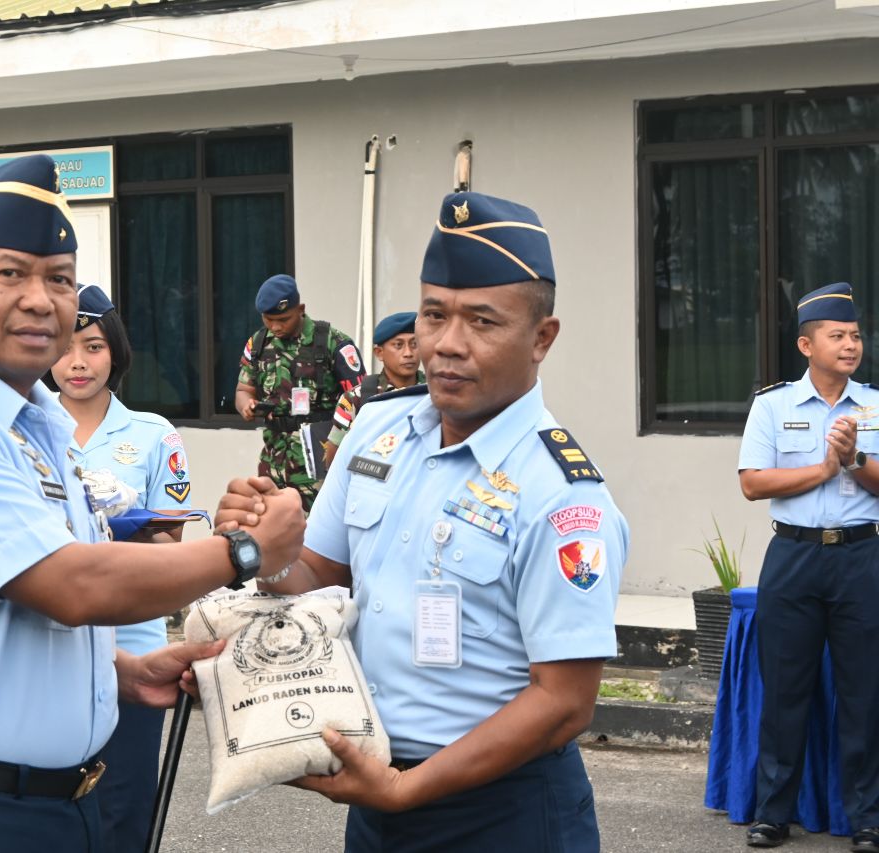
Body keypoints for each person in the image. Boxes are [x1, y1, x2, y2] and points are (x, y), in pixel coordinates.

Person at [0, 153, 304, 852]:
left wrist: (121, 671)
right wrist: (244, 552)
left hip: (58, 805)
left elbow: (10, 614)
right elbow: (72, 583)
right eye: (10, 274)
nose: (39, 298)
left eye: (57, 278)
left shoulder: (39, 423)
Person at [215, 192, 628, 853]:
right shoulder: (378, 430)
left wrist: (409, 788)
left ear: (541, 337)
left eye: (483, 322)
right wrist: (256, 550)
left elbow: (564, 703)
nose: (446, 345)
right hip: (377, 796)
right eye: (434, 315)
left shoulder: (561, 495)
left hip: (502, 813)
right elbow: (318, 575)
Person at [45, 283, 194, 853]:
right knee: (47, 804)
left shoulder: (155, 435)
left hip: (133, 641)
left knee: (126, 808)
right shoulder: (19, 429)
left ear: (118, 353)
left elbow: (171, 543)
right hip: (49, 637)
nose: (78, 363)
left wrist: (129, 516)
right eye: (64, 347)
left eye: (94, 347)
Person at [737, 281, 879, 851]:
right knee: (786, 689)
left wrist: (855, 459)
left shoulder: (873, 405)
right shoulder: (772, 405)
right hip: (793, 557)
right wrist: (823, 470)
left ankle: (867, 818)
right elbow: (752, 483)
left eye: (856, 335)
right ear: (806, 345)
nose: (850, 345)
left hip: (861, 555)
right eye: (837, 335)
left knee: (864, 692)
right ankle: (774, 812)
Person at [235, 274, 365, 511]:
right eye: (268, 319)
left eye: (283, 319)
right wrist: (246, 405)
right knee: (273, 533)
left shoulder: (332, 342)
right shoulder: (258, 344)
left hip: (319, 465)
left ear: (301, 309)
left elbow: (360, 399)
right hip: (273, 463)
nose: (275, 326)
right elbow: (244, 389)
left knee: (317, 537)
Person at [323, 310, 423, 469]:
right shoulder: (356, 398)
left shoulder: (434, 393)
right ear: (379, 353)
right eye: (398, 345)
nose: (408, 353)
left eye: (414, 344)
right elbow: (334, 461)